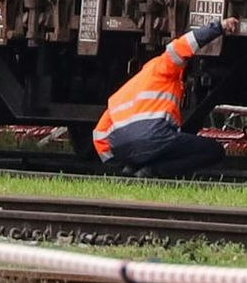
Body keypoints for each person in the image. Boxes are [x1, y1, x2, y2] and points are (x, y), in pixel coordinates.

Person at [94, 18, 231, 179]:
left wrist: (116, 161)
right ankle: (153, 172)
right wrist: (219, 27)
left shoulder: (123, 92)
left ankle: (132, 169)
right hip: (155, 139)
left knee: (156, 147)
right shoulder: (161, 67)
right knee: (214, 151)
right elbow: (182, 46)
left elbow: (99, 134)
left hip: (123, 147)